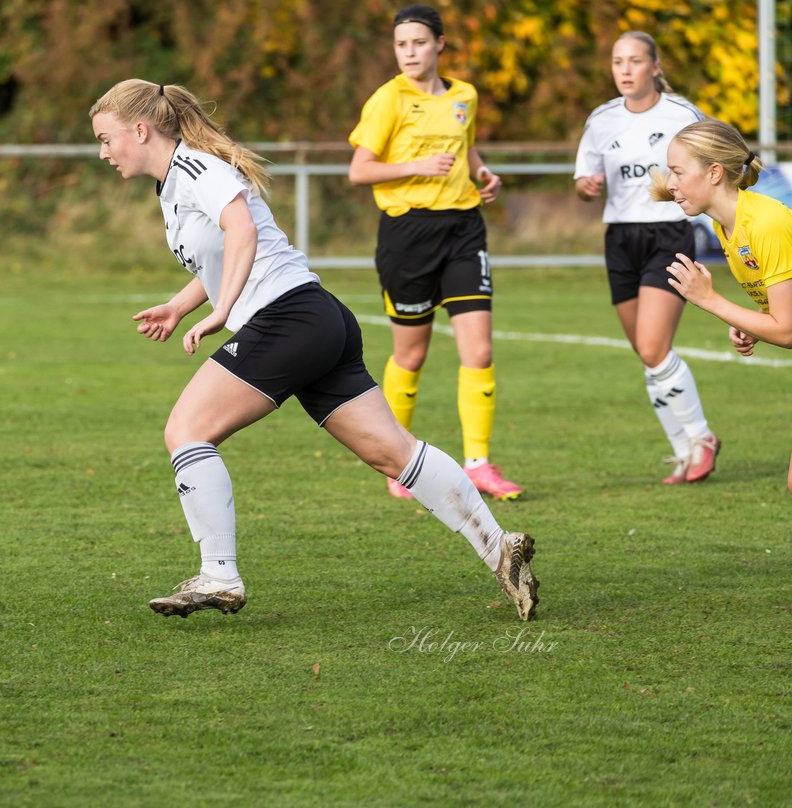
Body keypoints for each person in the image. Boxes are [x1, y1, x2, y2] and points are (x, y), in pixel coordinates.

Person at [88, 78, 540, 620]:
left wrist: (223, 311)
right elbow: (223, 253)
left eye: (106, 138)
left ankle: (219, 576)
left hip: (289, 320)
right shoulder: (176, 182)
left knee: (185, 431)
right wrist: (179, 305)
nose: (103, 152)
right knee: (392, 453)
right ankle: (500, 547)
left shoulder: (196, 170)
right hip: (315, 319)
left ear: (140, 130)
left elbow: (242, 233)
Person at [347, 4, 523, 502]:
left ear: (440, 45)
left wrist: (483, 175)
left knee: (480, 350)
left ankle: (479, 464)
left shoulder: (464, 95)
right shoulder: (388, 100)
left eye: (419, 43)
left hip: (465, 229)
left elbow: (465, 150)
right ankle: (397, 461)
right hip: (409, 234)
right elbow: (360, 170)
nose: (409, 52)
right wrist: (418, 165)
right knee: (412, 353)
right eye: (402, 44)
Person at [574, 32, 720, 485]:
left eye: (635, 60)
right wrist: (588, 186)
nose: (625, 69)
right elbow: (584, 176)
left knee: (655, 346)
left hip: (667, 235)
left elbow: (715, 164)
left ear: (654, 67)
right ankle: (684, 451)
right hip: (620, 239)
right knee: (646, 351)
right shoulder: (601, 119)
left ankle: (702, 439)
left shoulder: (681, 115)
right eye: (618, 61)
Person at [654, 118, 792, 491]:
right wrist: (753, 322)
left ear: (714, 172)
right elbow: (781, 312)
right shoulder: (726, 225)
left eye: (679, 172)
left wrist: (710, 300)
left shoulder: (764, 222)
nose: (670, 184)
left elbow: (787, 329)